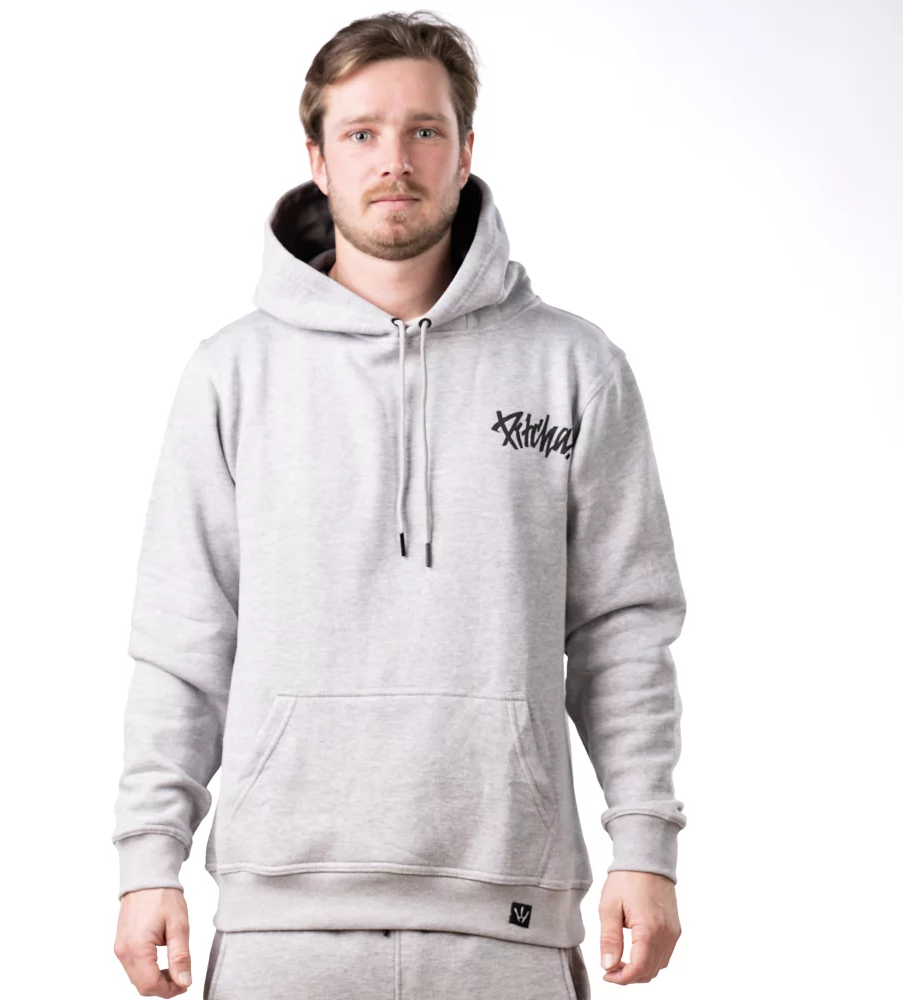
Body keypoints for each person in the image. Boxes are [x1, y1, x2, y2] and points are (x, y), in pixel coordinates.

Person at [111, 10, 686, 999]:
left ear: (465, 152)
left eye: (424, 130)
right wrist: (146, 859)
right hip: (282, 920)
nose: (395, 160)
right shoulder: (231, 375)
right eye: (362, 132)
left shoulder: (571, 367)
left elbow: (622, 626)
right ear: (317, 159)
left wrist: (645, 843)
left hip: (507, 913)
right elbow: (184, 636)